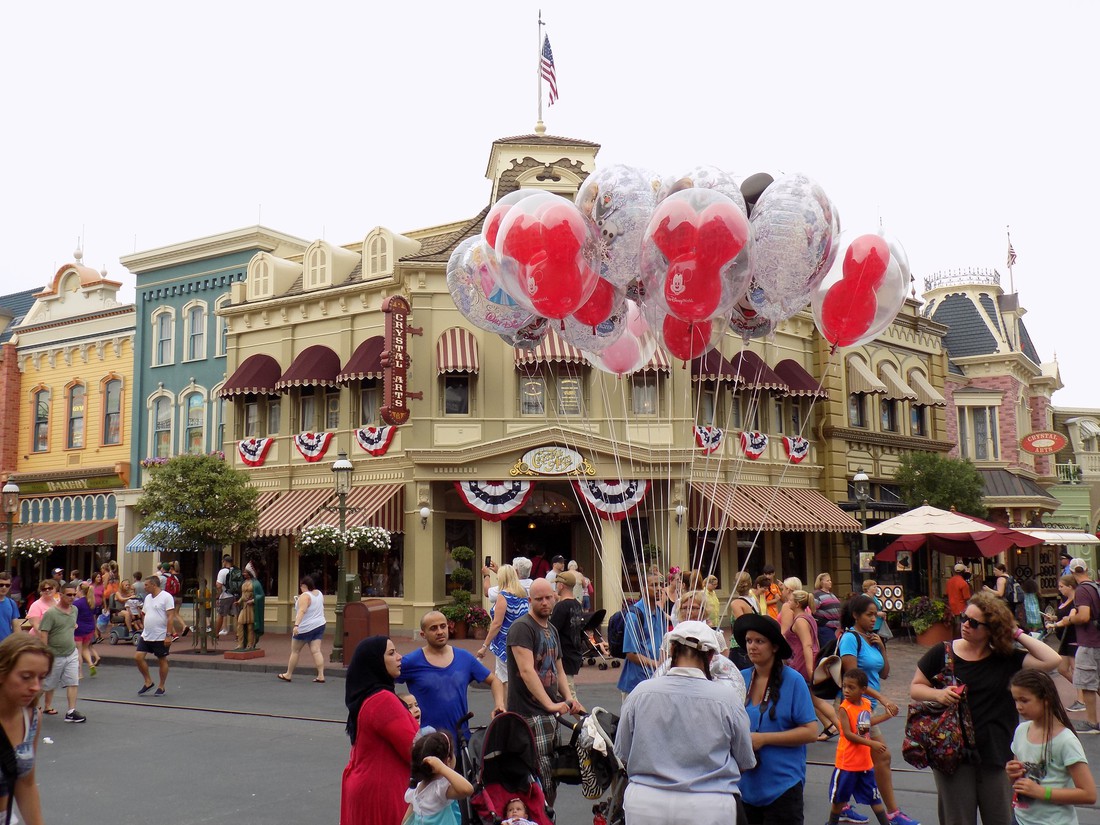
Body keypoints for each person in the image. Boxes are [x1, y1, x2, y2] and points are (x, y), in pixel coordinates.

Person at [910, 592, 1061, 825]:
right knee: (957, 819)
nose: (965, 625)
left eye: (974, 623)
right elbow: (916, 688)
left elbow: (1053, 660)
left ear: (992, 629)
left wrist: (1016, 632)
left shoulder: (1006, 658)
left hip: (997, 752)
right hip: (952, 752)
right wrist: (939, 694)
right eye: (964, 618)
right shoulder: (943, 652)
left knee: (1000, 818)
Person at [616, 620, 755, 825]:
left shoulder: (640, 693)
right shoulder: (727, 699)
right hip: (710, 806)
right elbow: (745, 759)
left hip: (646, 805)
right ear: (710, 656)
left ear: (672, 650)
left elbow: (622, 752)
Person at [506, 578, 584, 808]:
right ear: (530, 600)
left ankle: (546, 817)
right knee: (537, 778)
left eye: (548, 597)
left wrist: (569, 698)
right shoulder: (522, 628)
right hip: (529, 714)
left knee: (553, 776)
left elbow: (558, 668)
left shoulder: (551, 630)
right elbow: (527, 671)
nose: (544, 602)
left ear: (555, 597)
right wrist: (549, 704)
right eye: (538, 599)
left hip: (550, 715)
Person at [734, 613, 817, 825]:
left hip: (783, 787)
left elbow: (810, 731)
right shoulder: (739, 679)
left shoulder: (793, 680)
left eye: (759, 641)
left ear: (775, 647)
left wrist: (764, 739)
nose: (752, 646)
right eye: (749, 641)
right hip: (744, 786)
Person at [837, 594, 914, 825]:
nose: (874, 619)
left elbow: (884, 673)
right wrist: (882, 698)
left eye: (875, 615)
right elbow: (852, 679)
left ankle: (842, 805)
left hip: (866, 708)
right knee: (878, 756)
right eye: (869, 615)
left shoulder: (871, 638)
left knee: (857, 759)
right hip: (853, 707)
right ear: (855, 615)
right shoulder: (850, 639)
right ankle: (892, 812)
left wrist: (882, 649)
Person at [342, 636, 418, 825]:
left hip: (365, 784)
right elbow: (415, 750)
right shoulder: (383, 699)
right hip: (382, 790)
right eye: (391, 653)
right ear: (375, 662)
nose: (400, 657)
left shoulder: (367, 696)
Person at [1006, 669, 1095, 825]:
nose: (1018, 706)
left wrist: (1042, 792)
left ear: (1046, 700)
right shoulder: (1021, 731)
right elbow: (1019, 779)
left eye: (1024, 700)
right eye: (1015, 700)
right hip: (1021, 819)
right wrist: (1012, 773)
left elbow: (1088, 794)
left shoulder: (1065, 741)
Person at [401, 610, 505, 739]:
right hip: (427, 743)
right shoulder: (411, 662)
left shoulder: (464, 657)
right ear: (423, 634)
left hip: (461, 740)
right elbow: (383, 685)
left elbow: (495, 681)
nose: (440, 632)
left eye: (443, 626)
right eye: (433, 628)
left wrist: (499, 704)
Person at [826, 669, 893, 825]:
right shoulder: (844, 708)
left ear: (863, 690)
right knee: (839, 800)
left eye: (851, 687)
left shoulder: (866, 704)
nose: (846, 691)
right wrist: (872, 743)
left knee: (874, 798)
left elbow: (864, 725)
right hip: (847, 763)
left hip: (864, 763)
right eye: (844, 687)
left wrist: (887, 716)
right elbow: (849, 734)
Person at [0, 634, 53, 825]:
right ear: (2, 672)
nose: (35, 687)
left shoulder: (31, 719)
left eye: (41, 677)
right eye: (26, 677)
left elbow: (25, 783)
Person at [37, 582, 85, 722]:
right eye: (68, 595)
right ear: (61, 595)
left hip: (71, 653)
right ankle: (28, 706)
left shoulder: (74, 610)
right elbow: (44, 634)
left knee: (73, 681)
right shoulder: (51, 613)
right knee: (46, 684)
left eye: (74, 595)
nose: (71, 597)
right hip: (54, 655)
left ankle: (71, 711)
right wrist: (45, 655)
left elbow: (71, 627)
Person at [477, 564, 529, 692]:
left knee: (504, 679)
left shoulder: (504, 595)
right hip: (522, 639)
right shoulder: (523, 593)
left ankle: (507, 708)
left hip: (504, 642)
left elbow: (497, 623)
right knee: (520, 676)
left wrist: (485, 646)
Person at [405, 730, 474, 825]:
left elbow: (406, 820)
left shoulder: (417, 788)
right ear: (448, 760)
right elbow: (468, 789)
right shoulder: (439, 789)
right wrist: (443, 768)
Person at [618, 572, 668, 696]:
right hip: (636, 682)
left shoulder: (660, 613)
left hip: (656, 679)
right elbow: (631, 654)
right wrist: (656, 664)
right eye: (654, 585)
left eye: (660, 585)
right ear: (643, 588)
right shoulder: (634, 615)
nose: (659, 589)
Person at [1065, 557, 1100, 734]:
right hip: (1097, 640)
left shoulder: (1082, 591)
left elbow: (1084, 616)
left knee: (1087, 684)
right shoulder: (1095, 586)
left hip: (1089, 641)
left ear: (1072, 572)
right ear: (1086, 569)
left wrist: (1070, 619)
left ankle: (1092, 722)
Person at [1047, 575, 1086, 712]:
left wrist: (1055, 625)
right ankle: (1084, 692)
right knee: (1062, 669)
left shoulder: (1076, 600)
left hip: (1073, 637)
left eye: (1062, 587)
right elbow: (1063, 615)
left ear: (1070, 587)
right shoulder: (1066, 600)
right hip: (1064, 638)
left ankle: (1081, 699)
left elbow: (1069, 619)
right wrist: (1053, 618)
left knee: (1076, 669)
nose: (1060, 589)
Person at [278, 576, 326, 682]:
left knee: (295, 651)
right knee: (316, 651)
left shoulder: (305, 596)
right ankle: (321, 675)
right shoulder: (319, 593)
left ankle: (288, 674)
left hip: (305, 627)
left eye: (301, 585)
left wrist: (296, 625)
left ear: (304, 586)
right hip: (319, 625)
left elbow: (302, 611)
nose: (300, 588)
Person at [135, 573, 174, 697]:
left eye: (146, 585)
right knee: (138, 657)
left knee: (161, 659)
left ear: (153, 585)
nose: (144, 587)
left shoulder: (166, 597)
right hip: (147, 634)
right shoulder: (147, 598)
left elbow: (170, 616)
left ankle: (161, 686)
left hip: (160, 634)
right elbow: (145, 613)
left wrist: (168, 635)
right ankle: (148, 681)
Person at [549, 570, 586, 702]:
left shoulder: (561, 607)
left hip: (563, 655)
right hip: (574, 653)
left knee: (570, 697)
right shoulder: (577, 605)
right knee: (563, 693)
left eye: (557, 583)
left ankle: (587, 722)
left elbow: (552, 630)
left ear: (561, 585)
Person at [725, 572, 759, 670]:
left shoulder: (736, 603)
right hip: (752, 644)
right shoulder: (754, 600)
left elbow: (742, 624)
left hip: (739, 646)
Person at [234, 562, 264, 651]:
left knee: (250, 626)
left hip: (251, 608)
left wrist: (253, 600)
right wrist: (239, 601)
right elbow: (243, 595)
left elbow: (261, 595)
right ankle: (240, 644)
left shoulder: (256, 583)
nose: (244, 574)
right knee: (240, 624)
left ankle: (250, 644)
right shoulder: (244, 583)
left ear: (249, 573)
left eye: (245, 572)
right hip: (244, 607)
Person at [74, 581, 100, 677]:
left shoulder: (77, 603)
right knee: (85, 648)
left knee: (79, 651)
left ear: (80, 591)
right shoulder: (91, 602)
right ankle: (90, 664)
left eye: (76, 590)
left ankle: (80, 673)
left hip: (79, 629)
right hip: (90, 628)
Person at [813, 572, 842, 652]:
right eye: (827, 580)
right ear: (821, 582)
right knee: (830, 650)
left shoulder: (832, 594)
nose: (830, 582)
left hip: (836, 627)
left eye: (830, 580)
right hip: (825, 627)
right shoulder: (817, 594)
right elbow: (812, 609)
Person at [214, 554, 237, 638]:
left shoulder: (222, 571)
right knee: (236, 615)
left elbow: (219, 585)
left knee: (221, 614)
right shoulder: (236, 570)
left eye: (223, 561)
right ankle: (239, 634)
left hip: (225, 596)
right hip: (235, 596)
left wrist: (217, 596)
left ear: (225, 562)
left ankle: (216, 634)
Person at [946, 564, 972, 635]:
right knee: (959, 625)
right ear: (963, 572)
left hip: (951, 606)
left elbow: (947, 593)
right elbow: (967, 597)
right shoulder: (963, 583)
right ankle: (958, 639)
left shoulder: (949, 581)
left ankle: (953, 640)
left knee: (954, 625)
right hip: (960, 607)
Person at [0, 573, 20, 642]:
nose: (4, 587)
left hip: (6, 645)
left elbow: (16, 626)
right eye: (1, 585)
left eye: (7, 585)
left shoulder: (11, 603)